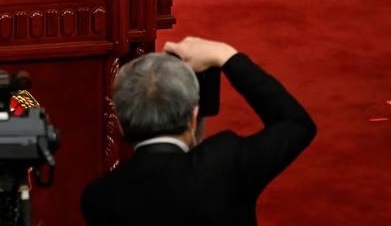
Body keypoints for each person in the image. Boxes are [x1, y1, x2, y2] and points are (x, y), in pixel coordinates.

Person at [80, 37, 316, 226]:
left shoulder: (100, 198)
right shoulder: (226, 164)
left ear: (120, 124)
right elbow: (295, 123)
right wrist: (226, 55)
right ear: (193, 116)